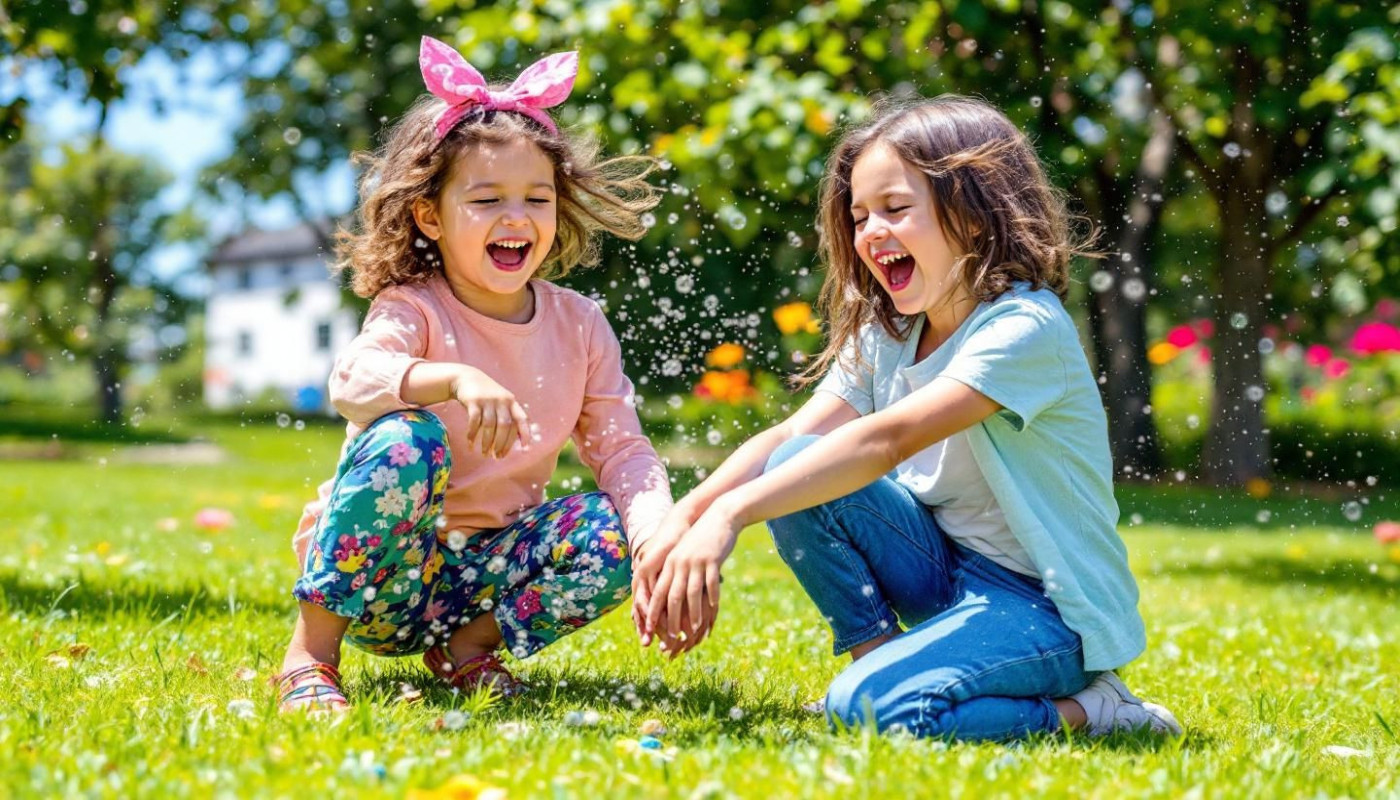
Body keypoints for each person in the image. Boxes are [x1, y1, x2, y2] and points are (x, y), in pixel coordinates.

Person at [632, 95, 1181, 741]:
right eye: (860, 215)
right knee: (795, 461)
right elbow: (789, 435)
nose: (869, 232)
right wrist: (686, 516)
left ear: (975, 216)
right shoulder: (890, 331)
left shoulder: (1024, 328)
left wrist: (731, 516)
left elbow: (886, 441)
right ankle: (876, 667)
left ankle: (1095, 712)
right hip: (945, 570)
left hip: (1047, 610)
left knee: (874, 712)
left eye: (896, 209)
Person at [273, 36, 672, 713]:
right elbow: (354, 379)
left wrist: (662, 535)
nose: (516, 217)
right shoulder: (414, 305)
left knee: (618, 530)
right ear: (431, 214)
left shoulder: (578, 323)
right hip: (378, 577)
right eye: (486, 200)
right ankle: (311, 655)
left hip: (485, 577)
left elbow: (622, 449)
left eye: (536, 199)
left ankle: (467, 648)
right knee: (407, 439)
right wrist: (452, 378)